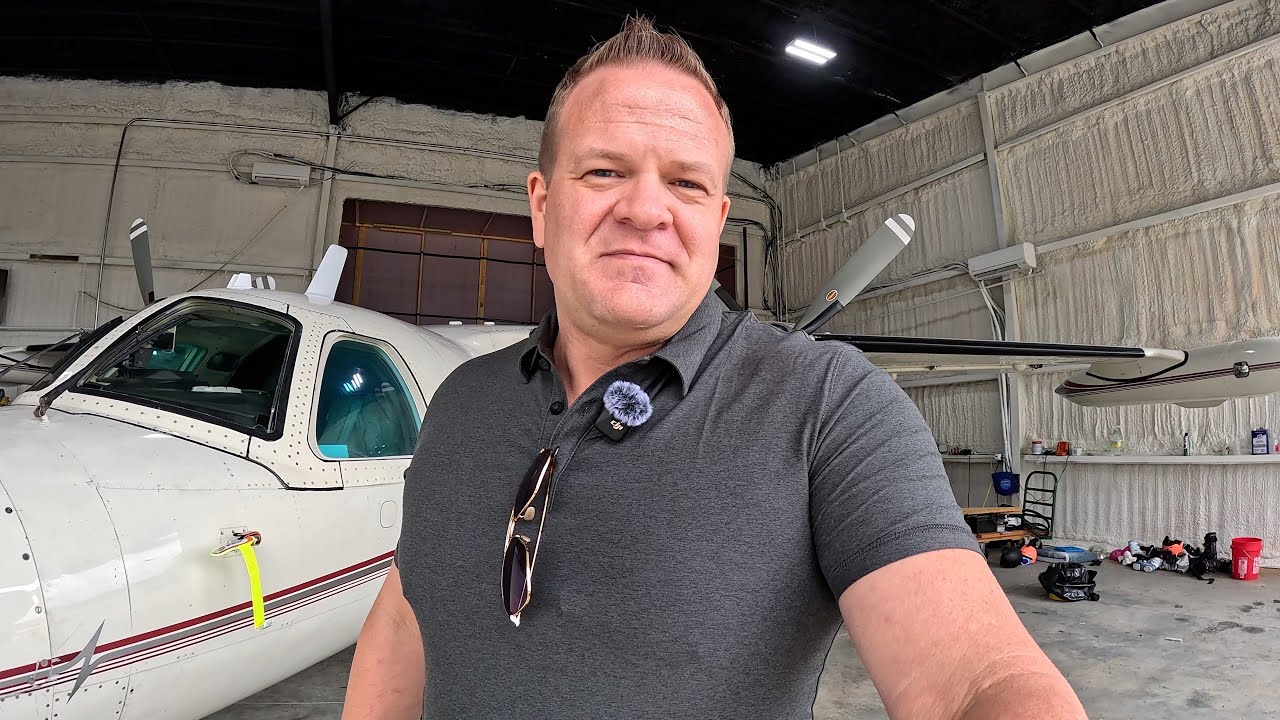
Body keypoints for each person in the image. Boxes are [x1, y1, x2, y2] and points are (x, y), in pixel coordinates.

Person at [341, 16, 1087, 720]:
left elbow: (975, 685)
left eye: (687, 183)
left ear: (717, 220)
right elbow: (407, 612)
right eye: (604, 171)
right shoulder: (459, 400)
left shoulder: (831, 406)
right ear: (541, 206)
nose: (645, 209)